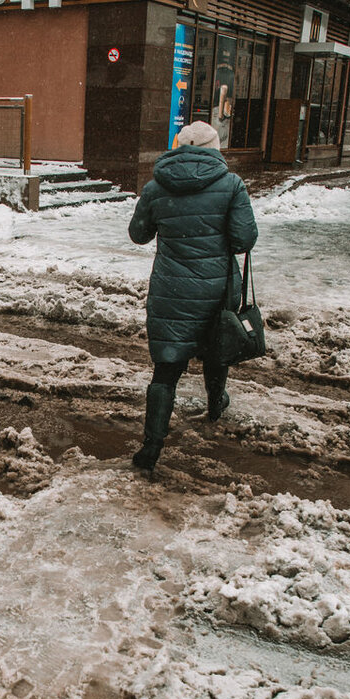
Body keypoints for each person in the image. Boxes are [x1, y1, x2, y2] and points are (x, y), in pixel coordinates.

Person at [127, 120, 258, 473]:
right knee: (216, 347)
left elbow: (138, 234)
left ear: (179, 147)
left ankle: (151, 447)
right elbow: (244, 240)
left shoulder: (156, 186)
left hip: (172, 289)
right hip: (216, 288)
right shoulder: (231, 185)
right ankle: (216, 404)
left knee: (166, 367)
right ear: (214, 148)